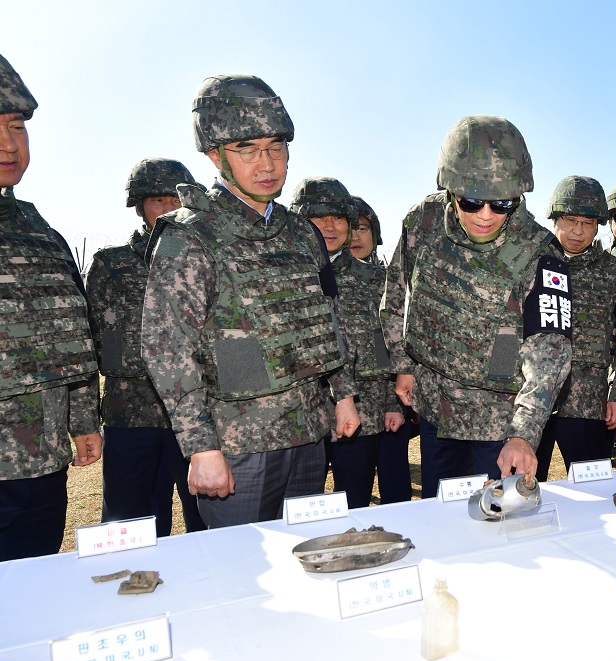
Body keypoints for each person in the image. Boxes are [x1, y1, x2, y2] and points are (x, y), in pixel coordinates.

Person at [141, 74, 360, 529]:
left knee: (306, 555)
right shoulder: (188, 236)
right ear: (214, 155)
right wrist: (201, 446)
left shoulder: (302, 232)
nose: (268, 163)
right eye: (247, 150)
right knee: (239, 575)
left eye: (276, 147)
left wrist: (343, 397)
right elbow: (167, 348)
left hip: (307, 436)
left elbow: (329, 318)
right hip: (237, 447)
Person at [382, 115, 572, 496]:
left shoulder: (540, 252)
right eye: (471, 202)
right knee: (440, 510)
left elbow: (550, 354)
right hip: (437, 410)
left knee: (496, 522)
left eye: (502, 204)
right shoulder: (424, 221)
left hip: (499, 423)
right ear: (451, 189)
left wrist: (522, 434)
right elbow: (396, 291)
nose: (486, 215)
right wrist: (402, 367)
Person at [0, 53, 101, 560]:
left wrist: (83, 421)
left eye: (16, 125)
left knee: (30, 591)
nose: (8, 143)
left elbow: (72, 336)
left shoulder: (42, 235)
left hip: (39, 461)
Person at [86, 158, 205, 535]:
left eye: (177, 199)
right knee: (129, 523)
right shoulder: (112, 264)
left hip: (196, 415)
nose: (170, 209)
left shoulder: (204, 261)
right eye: (158, 200)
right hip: (131, 414)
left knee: (207, 518)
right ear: (139, 207)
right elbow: (100, 344)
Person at [290, 178, 404, 509]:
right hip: (296, 422)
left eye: (338, 218)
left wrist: (393, 406)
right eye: (318, 217)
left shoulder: (373, 281)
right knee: (297, 511)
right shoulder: (277, 275)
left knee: (353, 504)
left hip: (359, 418)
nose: (329, 226)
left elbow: (387, 347)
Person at [534, 176, 616, 479]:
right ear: (555, 219)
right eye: (570, 220)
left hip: (588, 405)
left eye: (588, 223)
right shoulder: (531, 264)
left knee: (595, 490)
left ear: (599, 226)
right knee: (521, 490)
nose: (578, 231)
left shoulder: (612, 273)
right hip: (531, 402)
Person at [349, 194, 417, 503]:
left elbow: (402, 348)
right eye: (348, 227)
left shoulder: (392, 283)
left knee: (396, 490)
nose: (354, 236)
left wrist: (395, 404)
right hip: (350, 412)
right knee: (352, 496)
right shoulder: (322, 282)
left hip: (390, 407)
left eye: (362, 228)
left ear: (375, 234)